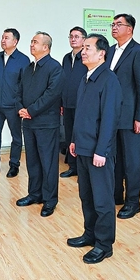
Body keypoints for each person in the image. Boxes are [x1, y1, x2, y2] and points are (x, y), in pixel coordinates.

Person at [67, 34, 121, 264]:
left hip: (99, 152)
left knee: (102, 200)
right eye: (83, 48)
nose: (83, 51)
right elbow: (80, 114)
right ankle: (90, 234)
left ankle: (104, 244)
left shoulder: (109, 80)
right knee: (86, 196)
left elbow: (109, 119)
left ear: (101, 54)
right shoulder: (86, 78)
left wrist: (102, 150)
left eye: (88, 48)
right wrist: (74, 140)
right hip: (83, 147)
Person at [106, 13, 140, 219]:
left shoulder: (139, 52)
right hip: (112, 115)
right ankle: (116, 195)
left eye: (119, 24)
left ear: (130, 29)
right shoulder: (109, 51)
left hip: (130, 116)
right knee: (114, 158)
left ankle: (133, 202)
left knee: (132, 161)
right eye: (113, 24)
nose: (114, 27)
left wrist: (139, 117)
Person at [16, 33, 63, 217]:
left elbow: (51, 95)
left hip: (46, 124)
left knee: (48, 163)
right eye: (31, 42)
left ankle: (50, 200)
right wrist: (21, 108)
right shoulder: (29, 68)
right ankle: (35, 194)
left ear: (46, 47)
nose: (31, 45)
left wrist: (31, 110)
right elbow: (19, 91)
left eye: (35, 42)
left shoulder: (55, 67)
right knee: (33, 161)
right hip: (28, 123)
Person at [0, 28, 29, 177]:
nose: (3, 40)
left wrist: (21, 105)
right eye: (2, 38)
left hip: (13, 106)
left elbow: (25, 85)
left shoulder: (23, 60)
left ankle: (14, 165)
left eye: (6, 38)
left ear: (15, 41)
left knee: (16, 136)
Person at [60, 26, 87, 179]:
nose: (73, 39)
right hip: (67, 103)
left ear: (84, 39)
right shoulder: (66, 58)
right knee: (69, 134)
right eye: (71, 36)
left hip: (81, 104)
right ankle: (72, 166)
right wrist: (61, 102)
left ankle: (82, 166)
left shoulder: (86, 57)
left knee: (80, 135)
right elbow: (63, 81)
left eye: (77, 36)